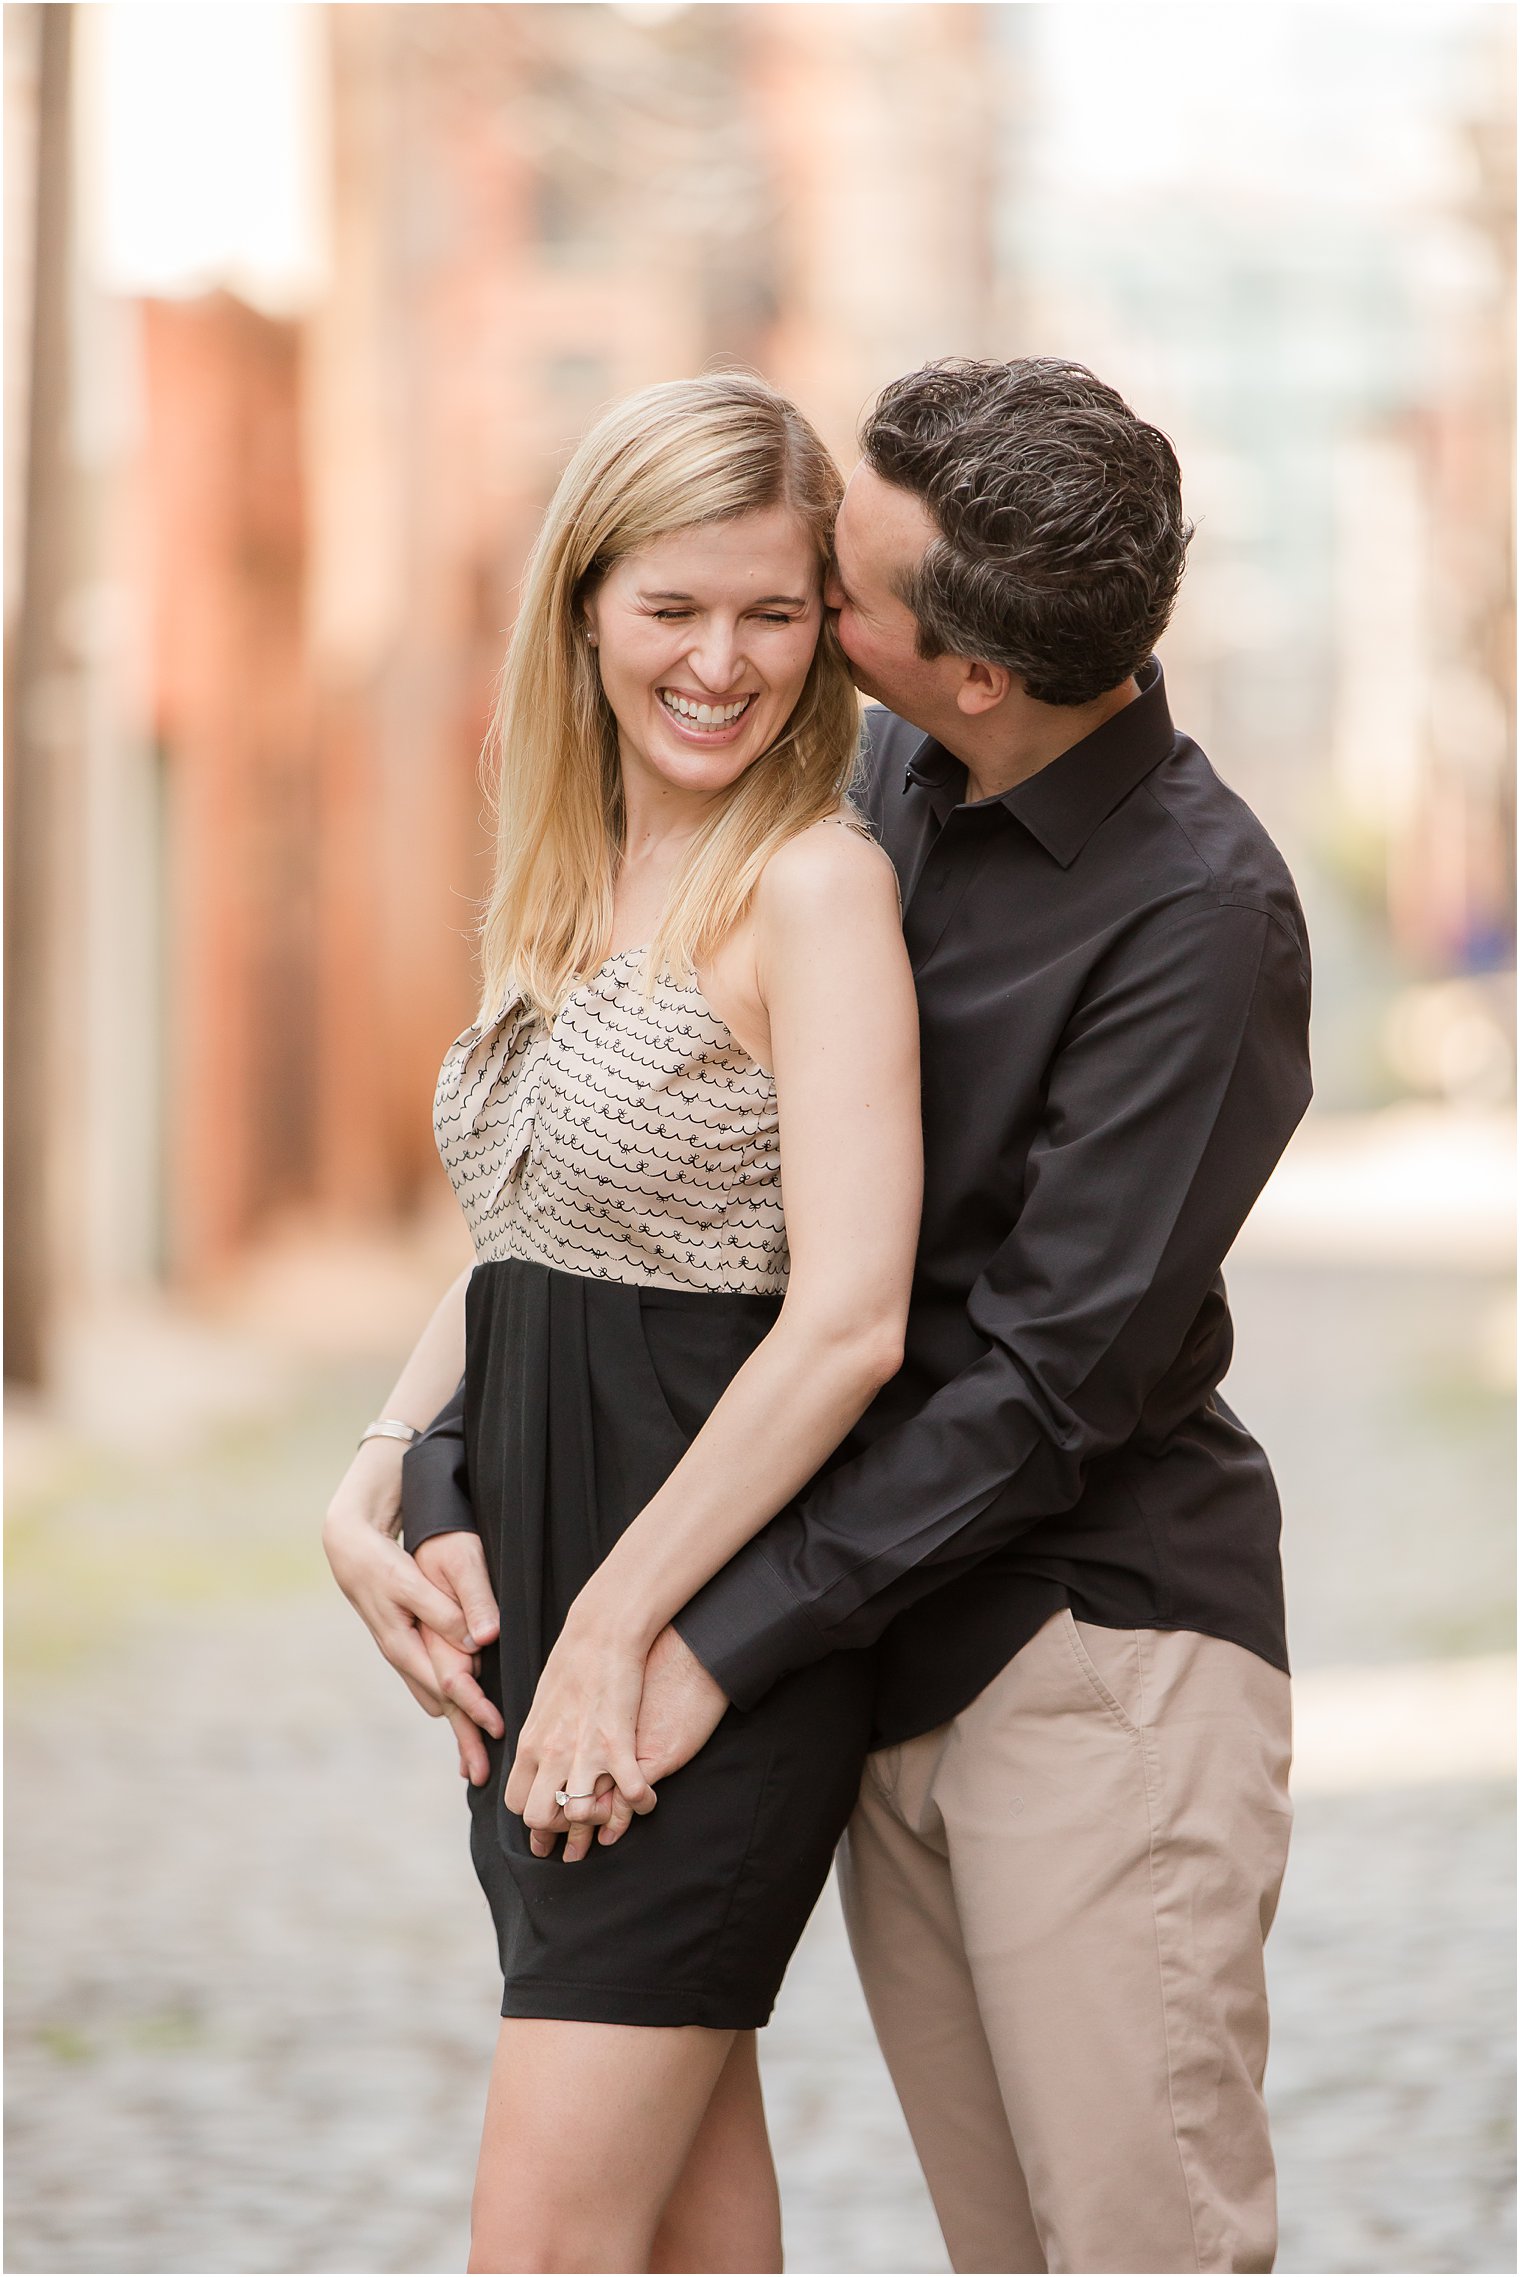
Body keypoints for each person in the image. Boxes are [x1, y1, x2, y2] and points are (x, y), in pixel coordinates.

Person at [366, 356, 1312, 2275]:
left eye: (833, 591)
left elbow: (1042, 1382)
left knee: (1133, 2245)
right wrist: (420, 1450)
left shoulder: (1201, 915)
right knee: (987, 2243)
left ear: (968, 666)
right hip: (864, 1640)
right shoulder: (879, 779)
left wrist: (692, 1636)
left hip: (1083, 1648)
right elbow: (629, 1194)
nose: (790, 615)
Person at [322, 372, 921, 2276]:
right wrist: (372, 1474)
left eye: (768, 609)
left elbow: (846, 1324)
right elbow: (527, 1236)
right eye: (673, 608)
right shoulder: (584, 875)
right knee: (681, 2232)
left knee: (551, 2248)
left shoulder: (815, 888)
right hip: (561, 1637)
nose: (721, 662)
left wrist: (609, 1632)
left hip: (681, 1650)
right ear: (584, 606)